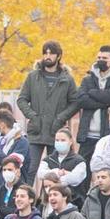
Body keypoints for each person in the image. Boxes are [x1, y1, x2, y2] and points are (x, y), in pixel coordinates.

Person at [16, 40, 80, 177]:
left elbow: (75, 102)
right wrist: (33, 116)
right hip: (36, 130)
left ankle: (51, 197)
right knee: (30, 169)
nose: (47, 56)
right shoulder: (33, 77)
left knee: (54, 170)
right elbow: (21, 99)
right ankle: (27, 196)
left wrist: (60, 118)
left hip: (56, 131)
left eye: (51, 53)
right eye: (45, 53)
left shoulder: (67, 79)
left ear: (59, 56)